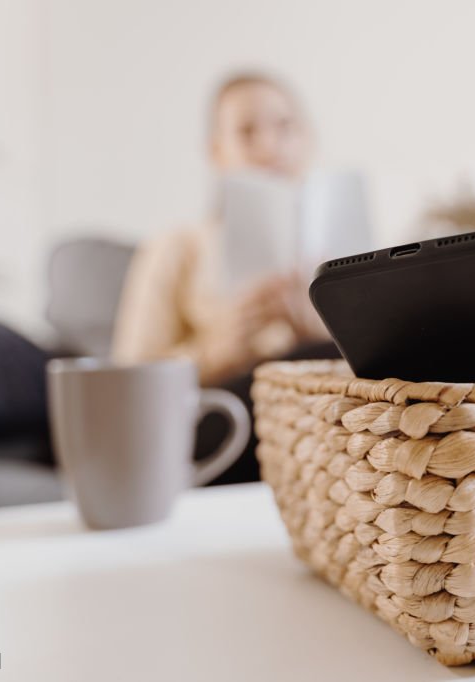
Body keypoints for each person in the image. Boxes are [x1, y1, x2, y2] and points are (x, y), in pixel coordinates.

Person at [113, 72, 338, 483]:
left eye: (285, 127)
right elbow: (127, 381)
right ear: (217, 151)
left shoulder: (337, 256)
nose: (270, 145)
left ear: (307, 140)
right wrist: (212, 354)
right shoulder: (177, 247)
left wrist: (317, 333)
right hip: (217, 415)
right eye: (248, 131)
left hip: (321, 418)